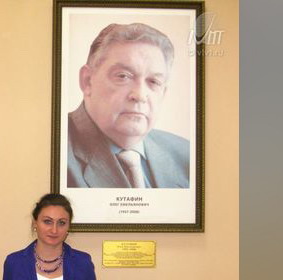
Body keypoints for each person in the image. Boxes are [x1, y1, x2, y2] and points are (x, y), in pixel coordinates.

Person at [67, 22, 190, 189]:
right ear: (87, 81)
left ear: (163, 92)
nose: (139, 95)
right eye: (123, 76)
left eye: (154, 81)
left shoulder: (187, 155)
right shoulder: (53, 149)